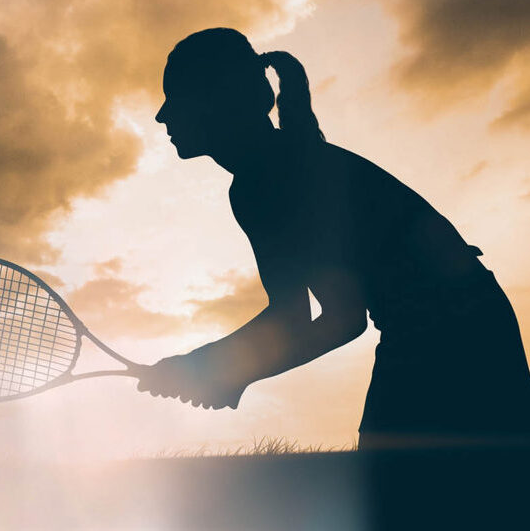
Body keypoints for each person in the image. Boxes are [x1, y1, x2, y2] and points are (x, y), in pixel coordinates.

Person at [137, 27, 530, 450]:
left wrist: (215, 367)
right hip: (469, 323)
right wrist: (225, 370)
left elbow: (337, 320)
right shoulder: (277, 168)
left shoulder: (263, 183)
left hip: (446, 335)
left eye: (174, 98)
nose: (162, 116)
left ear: (214, 102)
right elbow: (302, 317)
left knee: (404, 497)